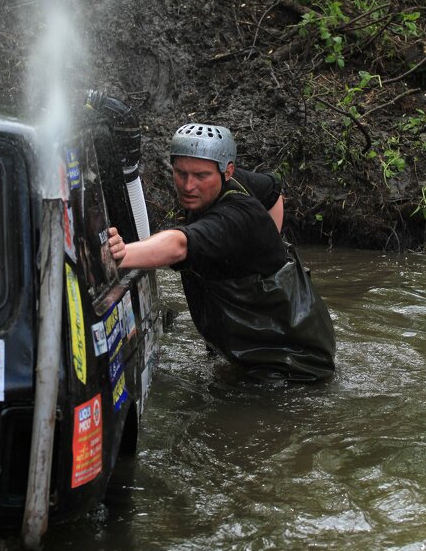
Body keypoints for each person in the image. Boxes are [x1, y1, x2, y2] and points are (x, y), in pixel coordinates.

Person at [108, 123, 335, 381]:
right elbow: (273, 191)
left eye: (201, 176)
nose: (188, 185)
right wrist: (266, 249)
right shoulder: (232, 181)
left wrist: (122, 254)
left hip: (294, 365)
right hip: (264, 344)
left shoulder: (236, 219)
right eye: (180, 173)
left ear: (227, 171)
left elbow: (179, 244)